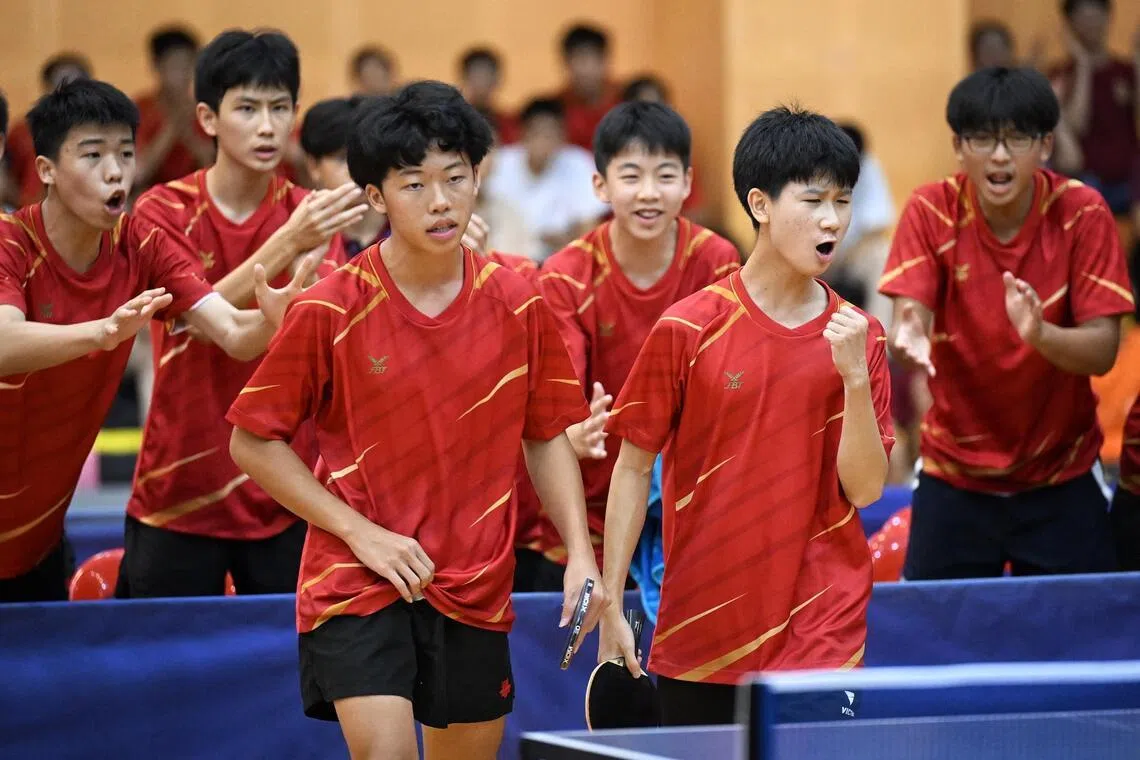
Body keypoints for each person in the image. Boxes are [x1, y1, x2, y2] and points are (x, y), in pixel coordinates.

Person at [225, 81, 606, 760]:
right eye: (413, 184)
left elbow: (545, 434)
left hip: (475, 581)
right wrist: (361, 534)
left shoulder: (520, 301)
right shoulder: (331, 306)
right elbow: (253, 441)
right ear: (374, 198)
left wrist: (579, 551)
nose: (440, 201)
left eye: (455, 178)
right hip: (357, 576)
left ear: (477, 177)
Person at [598, 106, 893, 725]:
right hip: (705, 627)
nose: (833, 220)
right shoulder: (688, 328)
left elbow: (865, 489)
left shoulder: (858, 336)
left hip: (823, 628)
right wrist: (610, 605)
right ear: (760, 204)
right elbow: (631, 470)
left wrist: (855, 382)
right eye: (813, 200)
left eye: (843, 201)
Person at [0, 78, 310, 603]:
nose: (117, 170)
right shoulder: (10, 241)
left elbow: (231, 333)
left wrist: (277, 321)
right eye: (93, 155)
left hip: (37, 545)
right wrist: (101, 333)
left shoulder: (142, 243)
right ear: (47, 170)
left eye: (125, 152)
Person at [116, 30, 367, 599]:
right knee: (162, 678)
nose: (267, 126)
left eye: (280, 109)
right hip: (179, 491)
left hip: (284, 492)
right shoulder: (163, 209)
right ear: (207, 117)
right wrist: (287, 245)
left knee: (291, 680)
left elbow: (296, 333)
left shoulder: (309, 210)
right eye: (248, 108)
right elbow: (194, 321)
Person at [880, 66, 1133, 580]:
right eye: (982, 139)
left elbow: (1104, 349)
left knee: (1085, 640)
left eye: (1016, 138)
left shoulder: (1083, 213)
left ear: (1044, 146)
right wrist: (908, 335)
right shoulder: (932, 209)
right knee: (937, 641)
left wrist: (1041, 334)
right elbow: (911, 313)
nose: (999, 155)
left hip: (1062, 474)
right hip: (955, 474)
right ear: (958, 145)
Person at [531, 101, 741, 586]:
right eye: (631, 176)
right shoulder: (566, 274)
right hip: (588, 518)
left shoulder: (715, 260)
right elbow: (559, 399)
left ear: (688, 183)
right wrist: (573, 433)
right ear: (600, 185)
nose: (649, 193)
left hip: (689, 512)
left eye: (665, 176)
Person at [481, 98, 608, 262]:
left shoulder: (578, 162)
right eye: (537, 133)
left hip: (562, 257)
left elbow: (590, 226)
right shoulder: (501, 161)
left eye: (550, 134)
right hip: (506, 255)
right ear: (522, 133)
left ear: (563, 136)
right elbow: (485, 211)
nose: (543, 142)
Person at [1049, 0, 1138, 215]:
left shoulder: (1126, 71)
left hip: (1129, 178)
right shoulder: (1060, 75)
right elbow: (1077, 126)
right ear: (1069, 24)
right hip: (1086, 177)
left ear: (1108, 18)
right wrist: (1083, 66)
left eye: (1095, 15)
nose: (1090, 24)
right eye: (1082, 17)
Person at [300, 96, 389, 257]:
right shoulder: (301, 241)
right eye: (342, 159)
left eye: (365, 156)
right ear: (313, 166)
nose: (356, 169)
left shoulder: (408, 232)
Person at [3, 53, 92, 209]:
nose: (68, 93)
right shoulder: (23, 131)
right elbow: (5, 182)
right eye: (59, 85)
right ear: (46, 90)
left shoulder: (102, 133)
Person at [133, 26, 214, 192]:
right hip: (150, 197)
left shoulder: (206, 109)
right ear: (156, 66)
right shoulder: (140, 109)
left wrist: (189, 136)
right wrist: (171, 129)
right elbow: (138, 174)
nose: (184, 75)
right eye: (175, 67)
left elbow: (214, 168)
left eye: (189, 66)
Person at [555, 24, 621, 150]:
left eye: (591, 59)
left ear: (605, 61)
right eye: (579, 60)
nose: (585, 69)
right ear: (566, 63)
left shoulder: (625, 101)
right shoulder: (557, 109)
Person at [458, 47, 519, 144]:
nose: (481, 83)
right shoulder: (453, 122)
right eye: (476, 76)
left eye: (486, 76)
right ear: (464, 79)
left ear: (497, 80)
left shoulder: (510, 124)